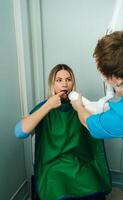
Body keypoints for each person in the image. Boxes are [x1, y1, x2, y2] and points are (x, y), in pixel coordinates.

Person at [15, 64, 112, 200]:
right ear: (52, 84)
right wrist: (48, 106)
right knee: (60, 195)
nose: (65, 84)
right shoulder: (43, 108)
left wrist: (81, 107)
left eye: (68, 79)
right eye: (59, 80)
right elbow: (20, 132)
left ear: (73, 83)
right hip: (52, 167)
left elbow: (102, 122)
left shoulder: (81, 107)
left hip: (79, 163)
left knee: (94, 190)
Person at [70, 30, 123, 154]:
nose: (102, 75)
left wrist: (78, 107)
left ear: (118, 78)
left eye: (102, 71)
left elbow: (89, 123)